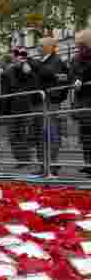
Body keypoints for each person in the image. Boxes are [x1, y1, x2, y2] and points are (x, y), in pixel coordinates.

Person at [29, 37, 70, 175]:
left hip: (49, 102)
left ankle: (51, 164)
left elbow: (52, 75)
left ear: (49, 47)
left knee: (50, 134)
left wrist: (56, 97)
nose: (37, 48)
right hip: (38, 102)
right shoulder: (41, 62)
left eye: (40, 45)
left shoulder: (56, 61)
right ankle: (43, 165)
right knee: (41, 135)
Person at [71, 30, 91, 174]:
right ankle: (88, 162)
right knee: (85, 133)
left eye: (82, 45)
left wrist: (81, 78)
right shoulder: (76, 59)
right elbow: (72, 73)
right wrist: (76, 79)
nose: (79, 48)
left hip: (88, 97)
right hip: (82, 99)